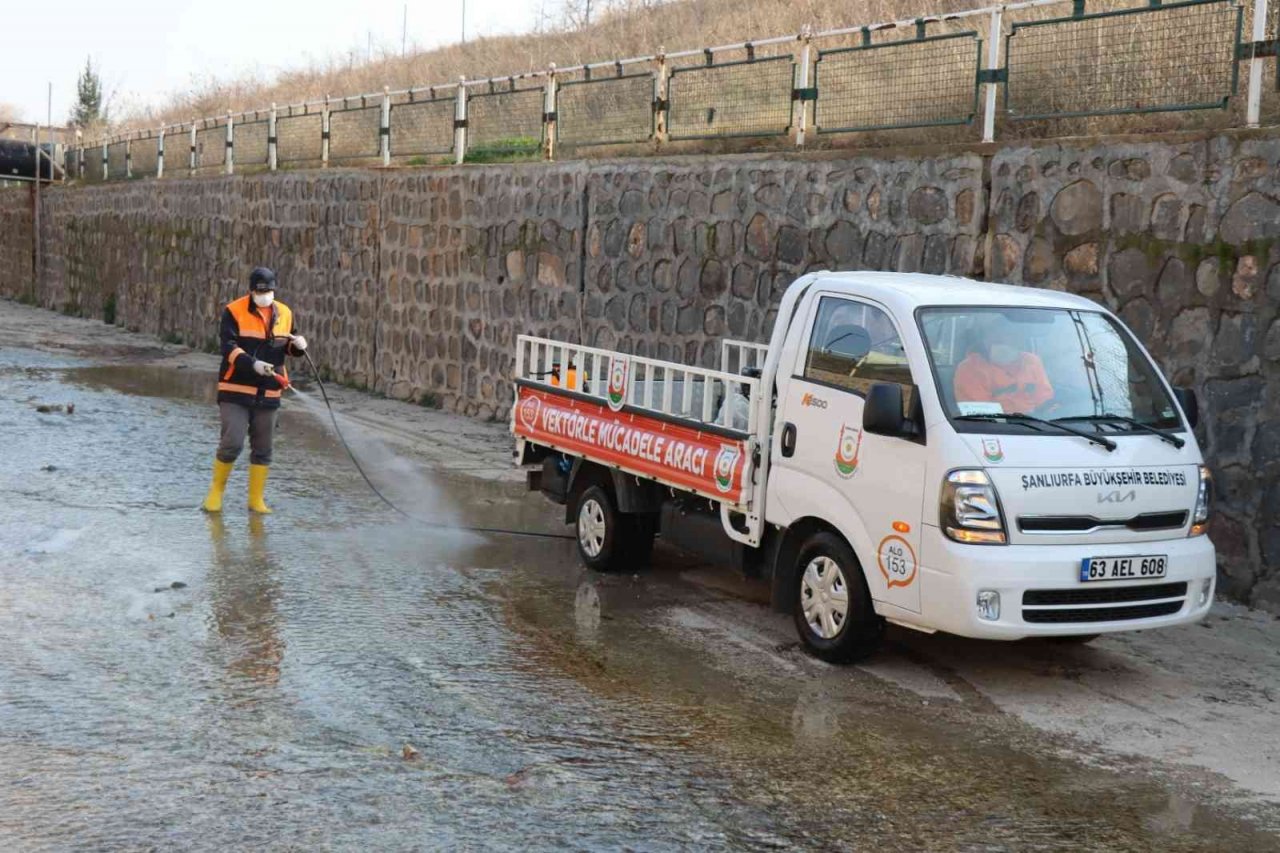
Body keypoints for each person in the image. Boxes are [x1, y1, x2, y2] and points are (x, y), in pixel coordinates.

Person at [201, 267, 307, 514]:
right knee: (233, 441)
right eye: (261, 291)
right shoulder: (233, 311)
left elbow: (286, 348)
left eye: (269, 290)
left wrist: (299, 347)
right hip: (235, 389)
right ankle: (215, 493)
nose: (265, 295)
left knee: (263, 447)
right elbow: (228, 348)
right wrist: (253, 364)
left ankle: (256, 500)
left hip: (269, 391)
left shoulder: (285, 313)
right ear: (251, 290)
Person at [952, 314, 1053, 414]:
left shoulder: (1032, 361)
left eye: (1010, 336)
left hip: (1036, 424)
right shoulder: (970, 369)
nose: (1002, 343)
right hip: (996, 428)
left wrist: (1046, 413)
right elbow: (982, 416)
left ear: (1020, 340)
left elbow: (1045, 401)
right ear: (984, 341)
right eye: (996, 339)